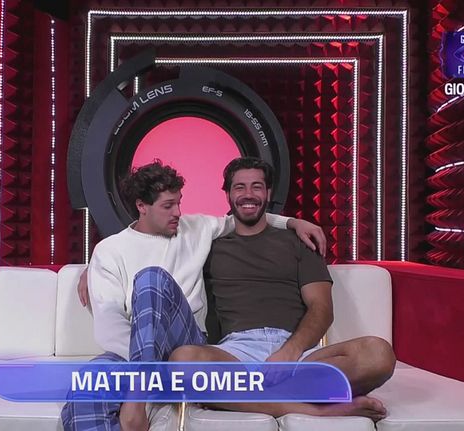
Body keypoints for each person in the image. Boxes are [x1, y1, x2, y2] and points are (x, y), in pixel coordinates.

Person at [61, 160, 327, 431]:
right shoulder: (109, 252)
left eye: (179, 203)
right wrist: (153, 366)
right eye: (168, 206)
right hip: (134, 350)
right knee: (86, 388)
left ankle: (137, 400)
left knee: (152, 279)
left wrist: (292, 222)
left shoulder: (196, 228)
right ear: (142, 206)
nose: (178, 212)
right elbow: (108, 329)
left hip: (186, 343)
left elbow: (246, 213)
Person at [169, 157, 396, 422]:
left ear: (268, 193)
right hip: (237, 354)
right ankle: (316, 408)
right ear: (228, 195)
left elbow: (322, 308)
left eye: (256, 186)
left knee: (379, 354)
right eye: (239, 187)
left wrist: (289, 353)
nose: (248, 194)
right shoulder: (210, 246)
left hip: (298, 355)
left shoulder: (300, 242)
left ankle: (245, 396)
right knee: (183, 361)